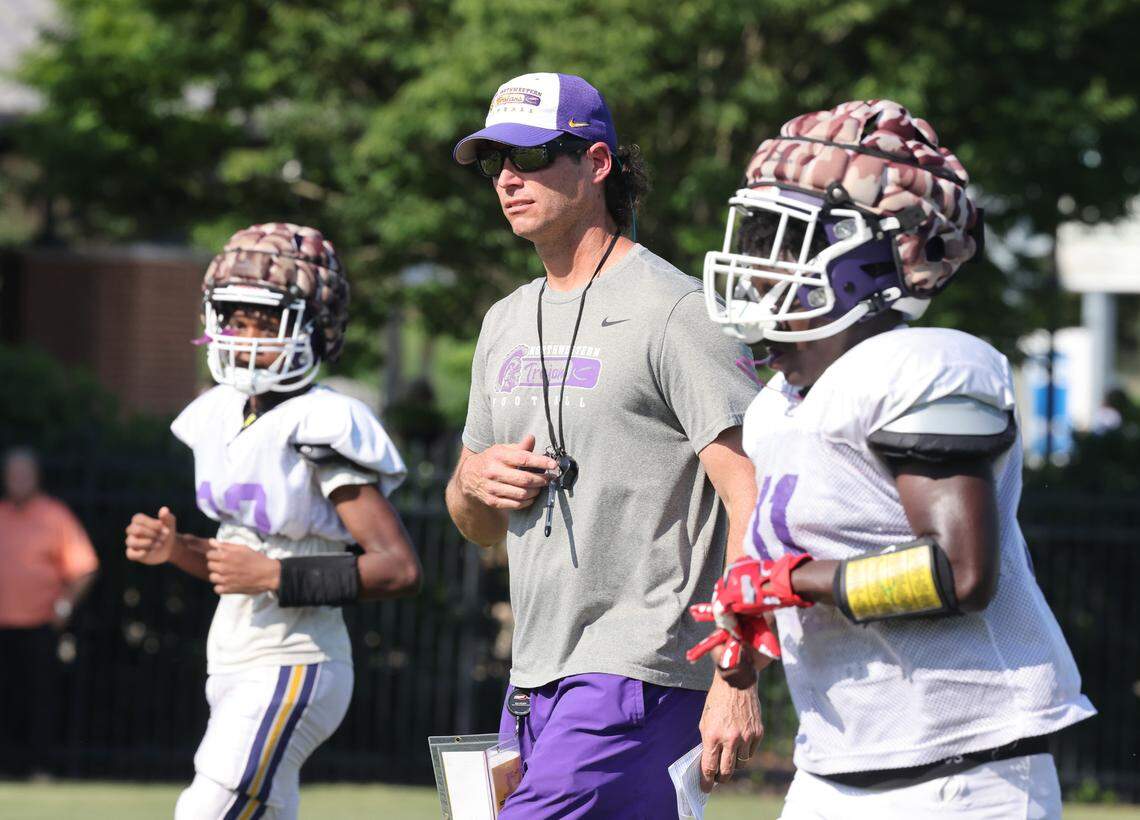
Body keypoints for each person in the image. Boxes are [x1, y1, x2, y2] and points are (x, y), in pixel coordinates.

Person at [690, 100, 1096, 818]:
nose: (761, 258)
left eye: (787, 237)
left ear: (871, 254)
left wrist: (794, 582)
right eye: (757, 231)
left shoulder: (928, 365)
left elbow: (961, 573)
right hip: (832, 770)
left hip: (965, 775)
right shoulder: (772, 407)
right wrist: (754, 626)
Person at [446, 73, 762, 818]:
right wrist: (475, 482)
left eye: (531, 155)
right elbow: (474, 521)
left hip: (644, 670)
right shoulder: (504, 321)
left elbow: (753, 497)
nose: (509, 179)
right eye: (496, 163)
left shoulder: (679, 311)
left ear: (596, 162)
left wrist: (737, 672)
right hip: (531, 680)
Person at [124, 223, 421, 820]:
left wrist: (277, 578)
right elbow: (241, 560)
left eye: (264, 319)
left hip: (296, 660)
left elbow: (398, 568)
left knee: (205, 810)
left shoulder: (325, 421)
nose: (244, 335)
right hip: (234, 654)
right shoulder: (219, 413)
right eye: (234, 318)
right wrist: (175, 548)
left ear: (315, 326)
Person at [0, 447, 98, 775]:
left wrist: (64, 604)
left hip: (40, 625)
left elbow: (84, 567)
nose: (18, 481)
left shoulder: (54, 516)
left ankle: (38, 767)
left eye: (24, 474)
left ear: (36, 477)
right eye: (13, 475)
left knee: (38, 702)